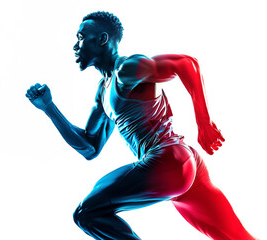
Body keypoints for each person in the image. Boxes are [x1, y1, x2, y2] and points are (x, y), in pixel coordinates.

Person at [25, 11, 256, 240]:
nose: (76, 46)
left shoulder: (127, 69)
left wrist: (204, 122)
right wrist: (49, 107)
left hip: (168, 160)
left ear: (103, 39)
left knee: (88, 213)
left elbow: (185, 63)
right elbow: (90, 147)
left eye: (81, 37)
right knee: (237, 237)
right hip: (182, 166)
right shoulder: (103, 92)